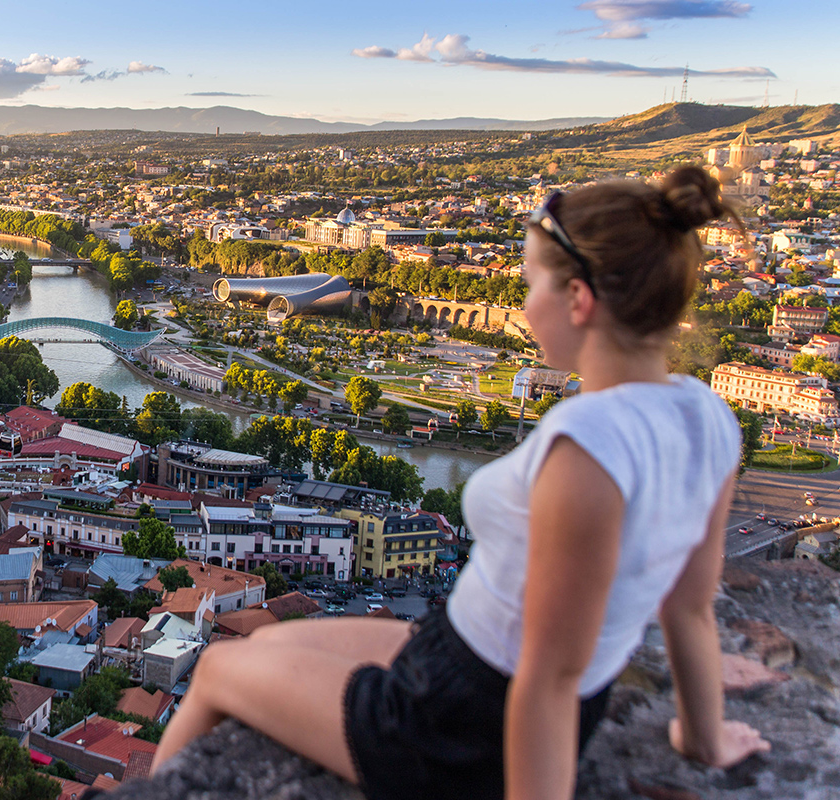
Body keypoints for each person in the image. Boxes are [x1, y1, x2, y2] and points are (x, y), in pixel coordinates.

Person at [151, 166, 771, 800]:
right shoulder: (707, 416)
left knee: (222, 666)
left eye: (531, 286)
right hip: (463, 657)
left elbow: (547, 678)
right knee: (276, 638)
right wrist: (703, 739)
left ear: (580, 301)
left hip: (456, 723)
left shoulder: (585, 448)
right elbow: (689, 606)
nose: (523, 307)